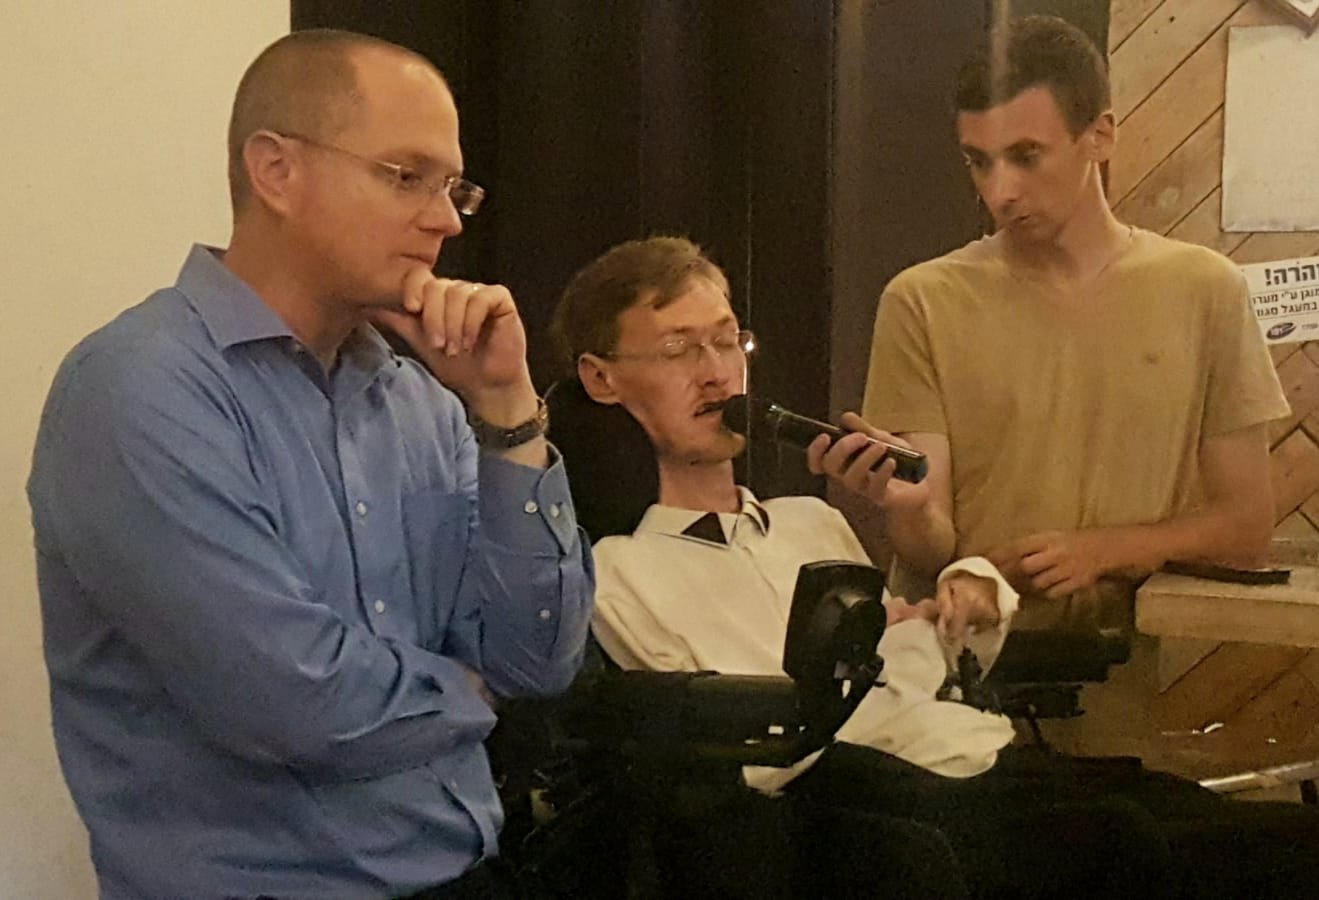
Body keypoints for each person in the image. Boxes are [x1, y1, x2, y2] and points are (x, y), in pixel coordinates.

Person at [550, 236, 1318, 899]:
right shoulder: (616, 571)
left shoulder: (809, 524)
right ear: (602, 378)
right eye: (678, 350)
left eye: (726, 342)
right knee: (1126, 841)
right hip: (874, 803)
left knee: (1273, 841)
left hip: (976, 757)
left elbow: (911, 663)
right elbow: (742, 753)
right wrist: (864, 655)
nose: (716, 374)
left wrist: (957, 599)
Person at [27, 29, 592, 900]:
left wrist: (508, 410)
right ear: (276, 171)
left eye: (453, 188)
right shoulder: (139, 386)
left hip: (468, 873)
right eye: (406, 176)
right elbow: (288, 701)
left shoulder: (425, 401)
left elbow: (539, 663)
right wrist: (470, 693)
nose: (445, 219)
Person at [813, 15, 1290, 633]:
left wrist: (1106, 550)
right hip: (954, 664)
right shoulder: (923, 300)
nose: (999, 191)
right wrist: (906, 509)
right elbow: (930, 549)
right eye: (978, 161)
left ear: (1100, 136)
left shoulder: (1206, 289)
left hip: (1120, 662)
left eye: (1025, 156)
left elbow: (1246, 526)